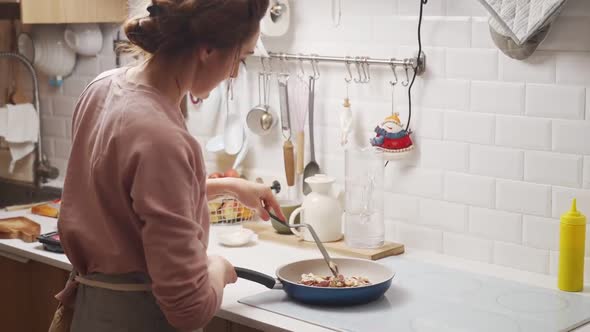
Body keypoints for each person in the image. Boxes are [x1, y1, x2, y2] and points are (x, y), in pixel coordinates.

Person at [55, 1, 283, 331]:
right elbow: (188, 309)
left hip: (92, 313)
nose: (234, 73)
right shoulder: (161, 136)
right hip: (136, 319)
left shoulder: (102, 87)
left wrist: (227, 187)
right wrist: (216, 270)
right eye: (240, 57)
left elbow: (126, 198)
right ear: (206, 49)